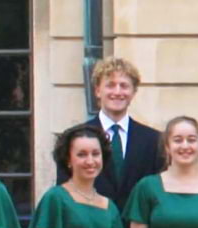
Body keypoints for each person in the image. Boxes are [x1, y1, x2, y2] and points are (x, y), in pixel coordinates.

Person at [60, 57, 161, 209]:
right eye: (110, 85)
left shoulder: (154, 140)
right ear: (97, 91)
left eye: (124, 86)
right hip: (91, 226)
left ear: (133, 92)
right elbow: (64, 192)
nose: (117, 92)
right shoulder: (73, 138)